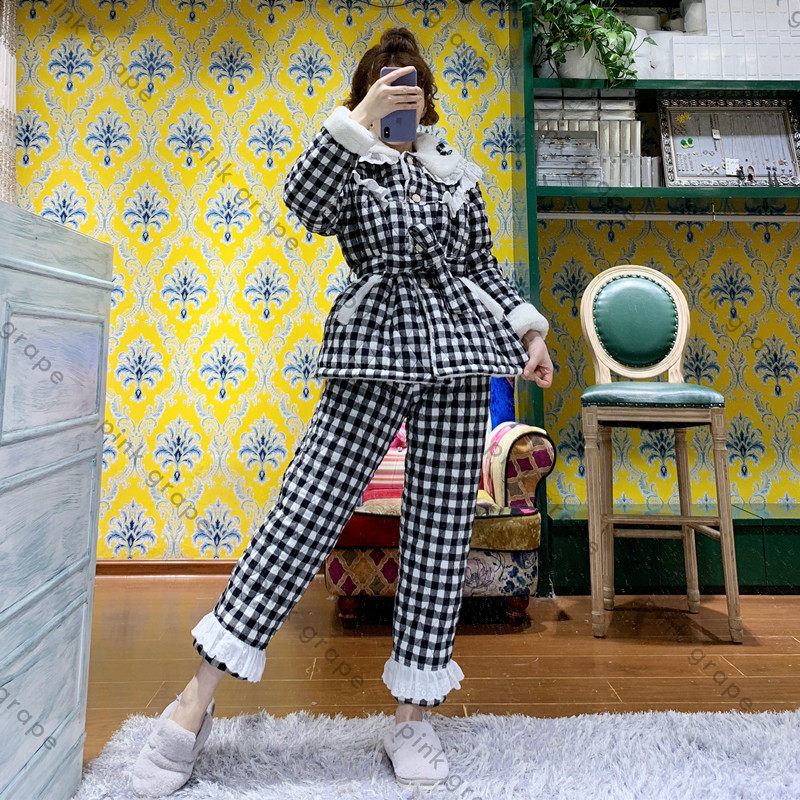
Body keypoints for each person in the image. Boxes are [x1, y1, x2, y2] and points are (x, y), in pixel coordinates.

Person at [130, 25, 553, 796]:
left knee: (439, 534)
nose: (401, 99)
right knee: (304, 513)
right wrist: (358, 122)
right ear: (365, 95)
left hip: (461, 358)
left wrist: (529, 332)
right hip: (372, 352)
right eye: (385, 87)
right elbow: (303, 203)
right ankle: (197, 698)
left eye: (411, 86)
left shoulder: (456, 175)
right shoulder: (349, 163)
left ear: (429, 99)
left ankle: (412, 717)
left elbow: (482, 269)